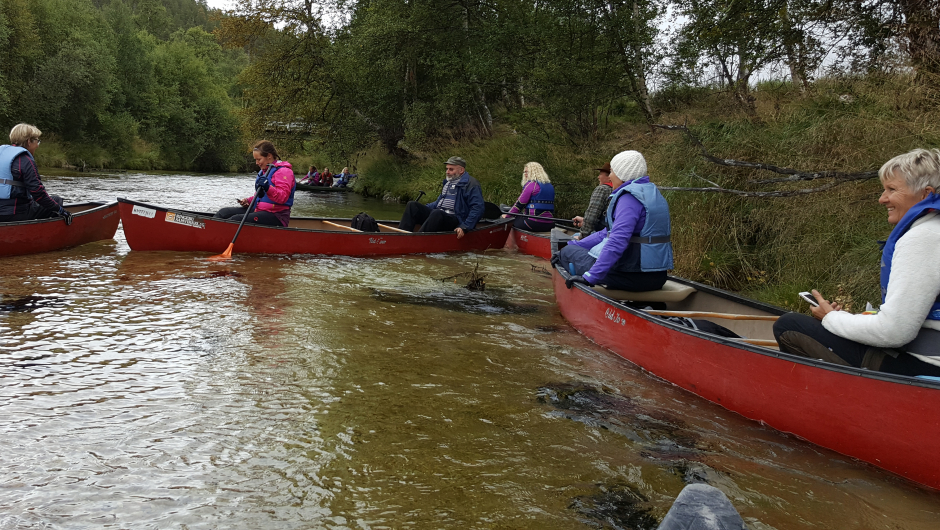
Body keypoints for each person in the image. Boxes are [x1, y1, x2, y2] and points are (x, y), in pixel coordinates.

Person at [772, 148, 940, 377]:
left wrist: (832, 319)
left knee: (789, 326)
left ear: (925, 194)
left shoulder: (923, 237)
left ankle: (819, 404)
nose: (882, 199)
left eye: (892, 189)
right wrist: (848, 320)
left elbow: (894, 331)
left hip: (924, 365)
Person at [555, 150, 673, 292]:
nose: (610, 176)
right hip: (657, 277)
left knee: (566, 253)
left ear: (622, 174)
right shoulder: (652, 194)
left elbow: (617, 241)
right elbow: (607, 233)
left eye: (612, 171)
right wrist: (577, 244)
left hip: (630, 277)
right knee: (572, 247)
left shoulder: (628, 199)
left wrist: (590, 277)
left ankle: (582, 292)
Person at [0, 123, 72, 225]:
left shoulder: (1, 153)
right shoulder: (25, 160)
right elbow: (38, 194)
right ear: (29, 141)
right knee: (57, 200)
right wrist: (61, 210)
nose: (37, 145)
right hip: (15, 214)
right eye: (37, 141)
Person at [398, 156, 485, 239]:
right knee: (412, 205)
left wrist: (464, 227)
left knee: (437, 213)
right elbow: (438, 203)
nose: (447, 172)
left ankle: (419, 240)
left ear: (461, 170)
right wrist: (422, 209)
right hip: (438, 216)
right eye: (447, 169)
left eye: (451, 169)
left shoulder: (471, 184)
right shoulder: (448, 183)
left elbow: (477, 208)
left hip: (455, 219)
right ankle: (400, 236)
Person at [215, 140, 295, 227]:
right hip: (259, 210)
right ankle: (211, 234)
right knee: (223, 213)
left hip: (277, 216)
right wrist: (249, 201)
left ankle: (222, 237)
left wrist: (268, 188)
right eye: (255, 160)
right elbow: (263, 196)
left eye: (259, 159)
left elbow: (282, 197)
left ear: (269, 156)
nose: (256, 163)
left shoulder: (284, 172)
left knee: (235, 220)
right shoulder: (264, 172)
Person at [502, 162, 555, 232]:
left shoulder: (531, 185)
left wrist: (506, 217)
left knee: (507, 218)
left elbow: (519, 205)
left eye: (527, 172)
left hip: (533, 223)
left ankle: (510, 242)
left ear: (533, 172)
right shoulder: (550, 186)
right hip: (550, 225)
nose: (525, 174)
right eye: (524, 172)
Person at [571, 162, 613, 240]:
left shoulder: (602, 189)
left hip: (602, 235)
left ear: (609, 177)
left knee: (572, 238)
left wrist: (582, 236)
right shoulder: (619, 190)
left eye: (601, 174)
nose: (598, 177)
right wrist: (584, 220)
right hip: (610, 233)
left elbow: (591, 217)